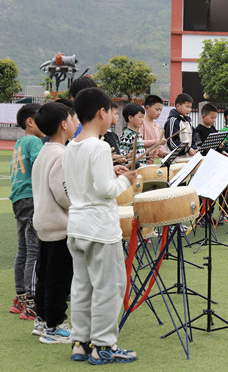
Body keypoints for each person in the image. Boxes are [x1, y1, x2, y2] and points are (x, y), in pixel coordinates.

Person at [63, 88, 138, 363]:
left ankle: (80, 343)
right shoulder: (100, 145)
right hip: (100, 228)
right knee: (110, 286)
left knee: (82, 286)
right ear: (100, 112)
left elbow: (84, 182)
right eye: (111, 111)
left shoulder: (72, 146)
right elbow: (106, 190)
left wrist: (112, 172)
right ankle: (104, 345)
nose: (113, 117)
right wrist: (126, 179)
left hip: (77, 225)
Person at [32, 102, 77, 343]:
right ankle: (55, 326)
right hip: (60, 226)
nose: (76, 123)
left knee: (45, 275)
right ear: (63, 124)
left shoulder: (45, 151)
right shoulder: (61, 154)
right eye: (73, 119)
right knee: (58, 278)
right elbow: (62, 193)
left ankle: (41, 320)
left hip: (44, 222)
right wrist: (78, 202)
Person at [9, 103, 43, 320]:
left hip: (18, 199)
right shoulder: (34, 140)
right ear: (30, 122)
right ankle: (31, 302)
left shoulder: (20, 142)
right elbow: (42, 166)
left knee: (23, 249)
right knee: (33, 250)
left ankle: (20, 297)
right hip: (31, 198)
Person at [118, 103, 146, 168]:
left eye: (143, 117)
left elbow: (140, 154)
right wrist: (139, 165)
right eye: (140, 117)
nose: (142, 120)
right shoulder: (127, 135)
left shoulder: (138, 134)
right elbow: (123, 158)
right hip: (132, 172)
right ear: (130, 118)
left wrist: (149, 153)